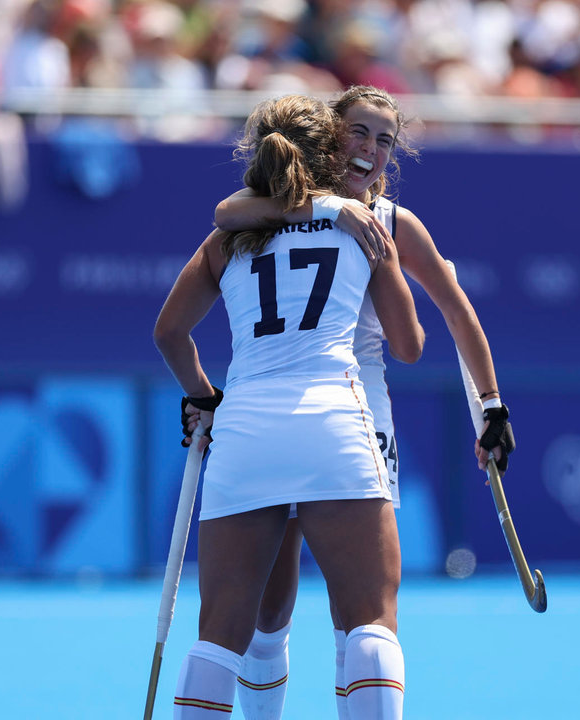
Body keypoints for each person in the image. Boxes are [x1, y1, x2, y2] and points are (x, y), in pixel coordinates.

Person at [213, 85, 516, 720]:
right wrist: (328, 207)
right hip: (283, 405)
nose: (371, 150)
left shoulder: (399, 224)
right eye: (359, 133)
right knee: (271, 603)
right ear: (329, 137)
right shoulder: (276, 204)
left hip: (357, 415)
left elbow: (458, 318)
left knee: (360, 607)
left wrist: (491, 406)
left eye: (384, 140)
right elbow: (227, 210)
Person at [153, 93, 425, 719]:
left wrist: (202, 395)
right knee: (369, 622)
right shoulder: (364, 225)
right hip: (335, 424)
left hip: (245, 432)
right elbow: (407, 346)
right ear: (330, 151)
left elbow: (168, 333)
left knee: (221, 633)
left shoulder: (229, 235)